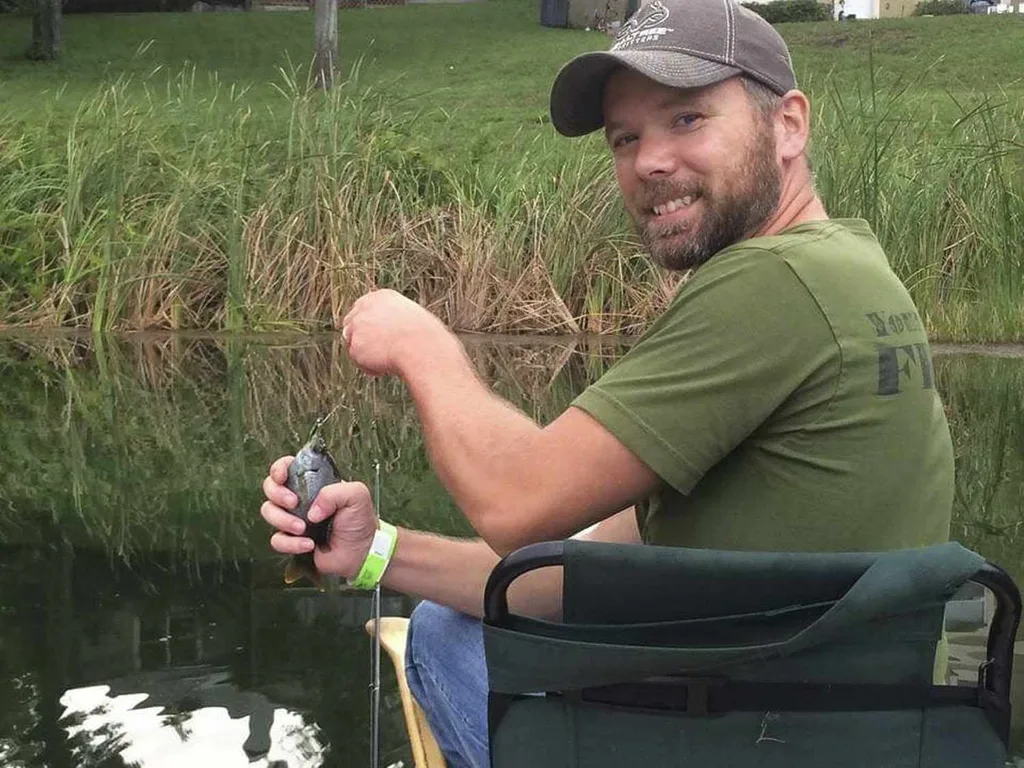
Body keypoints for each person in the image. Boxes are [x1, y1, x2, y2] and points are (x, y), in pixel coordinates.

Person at [260, 0, 954, 765]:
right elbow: (570, 574)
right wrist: (374, 552)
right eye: (626, 137)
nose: (649, 160)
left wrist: (423, 347)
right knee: (449, 621)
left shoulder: (773, 282)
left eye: (686, 119)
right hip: (825, 726)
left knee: (439, 639)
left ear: (788, 124)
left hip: (743, 740)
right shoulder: (850, 266)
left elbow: (518, 505)